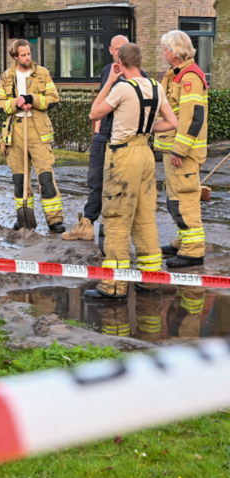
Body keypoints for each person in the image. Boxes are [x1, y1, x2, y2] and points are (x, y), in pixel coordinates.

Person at [84, 43, 178, 300]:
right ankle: (149, 280)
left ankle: (113, 285)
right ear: (140, 62)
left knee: (116, 218)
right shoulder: (156, 87)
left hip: (123, 156)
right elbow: (172, 122)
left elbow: (95, 113)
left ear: (121, 63)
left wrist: (111, 81)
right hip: (147, 155)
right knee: (145, 217)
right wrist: (144, 128)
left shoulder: (123, 87)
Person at [63, 35, 147, 242]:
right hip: (104, 134)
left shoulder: (139, 76)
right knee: (95, 180)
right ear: (111, 50)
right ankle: (87, 224)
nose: (120, 54)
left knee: (119, 186)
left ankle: (118, 230)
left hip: (123, 140)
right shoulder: (106, 72)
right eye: (117, 49)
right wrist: (97, 133)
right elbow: (101, 102)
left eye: (124, 49)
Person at [0, 39, 65, 233]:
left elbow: (53, 99)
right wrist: (15, 103)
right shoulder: (7, 76)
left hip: (38, 130)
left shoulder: (42, 73)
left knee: (46, 176)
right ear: (15, 56)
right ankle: (24, 217)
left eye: (29, 54)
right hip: (15, 131)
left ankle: (55, 220)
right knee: (19, 179)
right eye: (23, 55)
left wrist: (32, 100)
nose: (28, 58)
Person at [155, 30, 208, 268]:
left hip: (182, 154)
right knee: (175, 198)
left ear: (176, 52)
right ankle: (184, 240)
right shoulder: (176, 75)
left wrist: (180, 150)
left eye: (166, 49)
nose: (164, 53)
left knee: (185, 199)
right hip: (173, 151)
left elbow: (193, 117)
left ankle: (193, 250)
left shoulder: (189, 77)